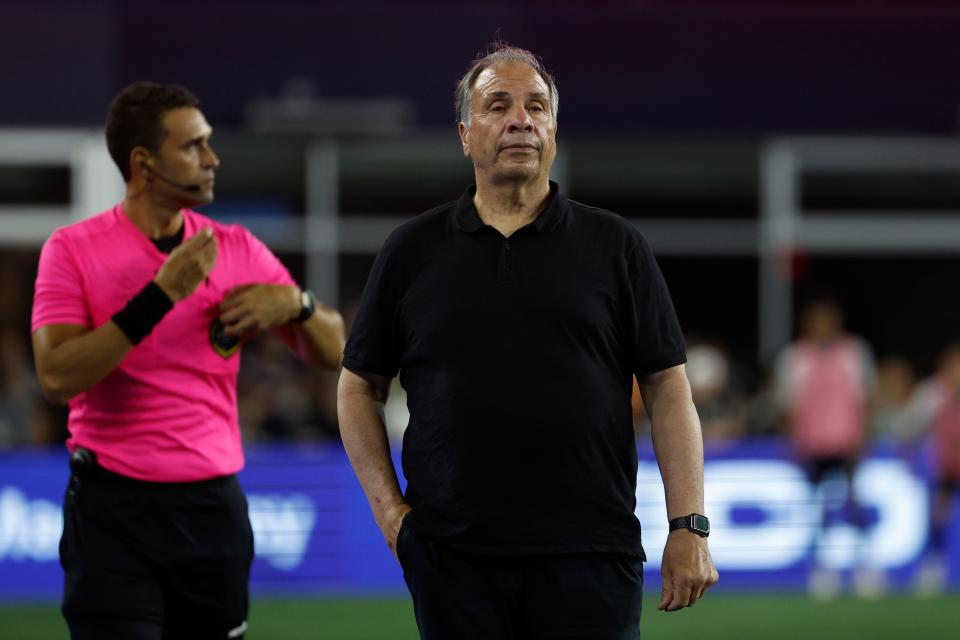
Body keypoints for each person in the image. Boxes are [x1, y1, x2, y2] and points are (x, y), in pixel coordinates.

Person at [337, 45, 717, 639]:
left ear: (554, 132)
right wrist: (392, 517)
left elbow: (669, 388)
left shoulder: (616, 247)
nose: (521, 120)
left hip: (593, 555)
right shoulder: (411, 251)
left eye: (535, 106)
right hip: (451, 561)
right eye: (498, 106)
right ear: (466, 135)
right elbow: (359, 386)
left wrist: (688, 524)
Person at [31, 82, 345, 639]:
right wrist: (159, 295)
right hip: (112, 513)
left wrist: (295, 306)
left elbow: (339, 348)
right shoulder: (73, 249)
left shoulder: (237, 248)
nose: (212, 159)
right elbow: (57, 376)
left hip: (211, 512)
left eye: (209, 144)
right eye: (194, 146)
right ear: (143, 164)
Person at [772, 297, 878, 597]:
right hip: (812, 445)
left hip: (846, 441)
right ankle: (822, 569)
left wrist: (863, 437)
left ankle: (864, 566)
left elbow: (865, 399)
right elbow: (787, 404)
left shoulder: (854, 352)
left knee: (853, 504)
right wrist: (792, 440)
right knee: (816, 509)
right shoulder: (795, 357)